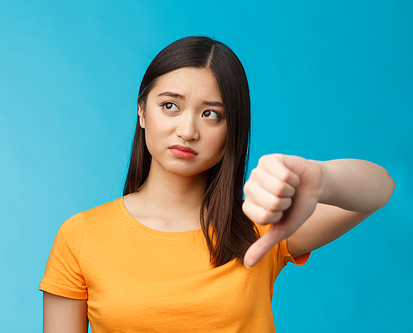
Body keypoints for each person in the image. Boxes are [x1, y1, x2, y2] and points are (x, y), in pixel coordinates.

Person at [39, 36, 394, 332]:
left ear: (231, 130)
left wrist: (322, 178)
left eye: (211, 114)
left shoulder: (261, 226)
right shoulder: (82, 236)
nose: (188, 130)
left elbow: (380, 189)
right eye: (170, 106)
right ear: (143, 111)